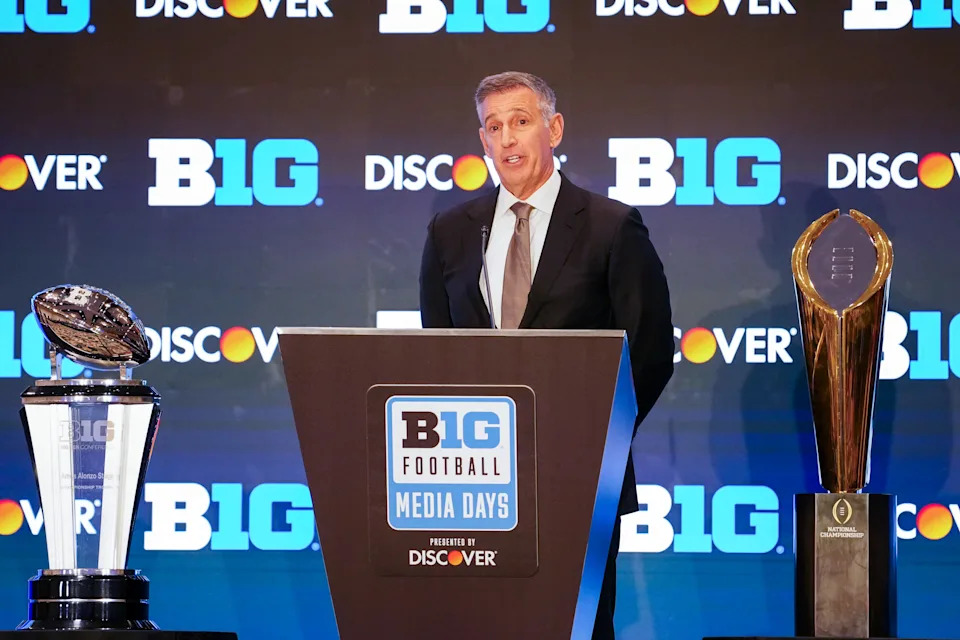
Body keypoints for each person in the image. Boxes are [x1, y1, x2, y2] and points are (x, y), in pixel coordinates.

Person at [418, 71, 674, 640]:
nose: (507, 139)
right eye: (493, 127)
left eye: (521, 122)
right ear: (482, 141)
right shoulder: (450, 232)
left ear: (553, 129)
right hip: (473, 479)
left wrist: (596, 440)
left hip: (579, 476)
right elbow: (437, 355)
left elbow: (651, 352)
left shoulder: (611, 226)